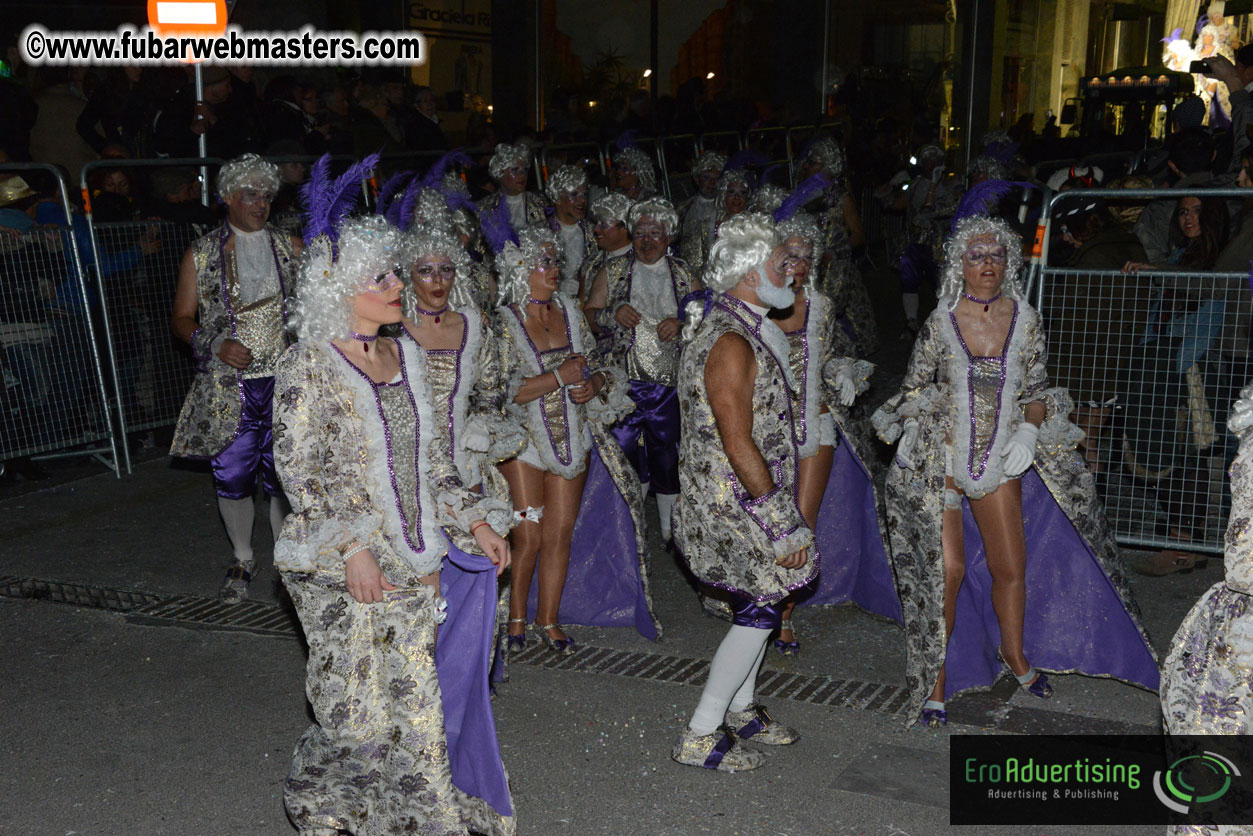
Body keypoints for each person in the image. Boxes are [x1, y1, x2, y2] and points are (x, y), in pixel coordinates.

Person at [273, 195, 515, 836]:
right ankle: (323, 803)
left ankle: (418, 818)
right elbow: (298, 471)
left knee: (413, 702)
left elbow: (432, 460)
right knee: (354, 709)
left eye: (393, 273)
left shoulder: (404, 355)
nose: (396, 285)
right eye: (379, 277)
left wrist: (476, 521)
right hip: (340, 559)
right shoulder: (308, 364)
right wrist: (352, 548)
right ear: (338, 288)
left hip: (416, 553)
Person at [872, 213, 1159, 727]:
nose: (988, 265)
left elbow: (1037, 391)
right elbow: (914, 388)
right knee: (947, 572)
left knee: (1011, 569)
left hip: (1001, 456)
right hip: (941, 458)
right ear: (960, 264)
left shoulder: (1025, 319)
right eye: (977, 256)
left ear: (1010, 262)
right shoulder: (940, 322)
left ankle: (1015, 653)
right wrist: (921, 419)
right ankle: (935, 678)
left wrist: (1028, 430)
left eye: (997, 255)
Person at [672, 213, 813, 772]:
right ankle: (701, 732)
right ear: (750, 273)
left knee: (768, 600)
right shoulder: (730, 340)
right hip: (733, 502)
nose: (795, 271)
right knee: (761, 607)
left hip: (742, 495)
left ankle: (742, 708)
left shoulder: (740, 322)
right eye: (783, 263)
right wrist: (783, 522)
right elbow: (737, 440)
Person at [495, 226, 659, 653]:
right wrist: (558, 377)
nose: (554, 269)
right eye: (544, 262)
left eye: (555, 261)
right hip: (523, 441)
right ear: (520, 269)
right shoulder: (505, 322)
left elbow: (599, 364)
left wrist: (596, 382)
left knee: (560, 534)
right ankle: (515, 617)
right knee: (528, 534)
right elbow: (501, 390)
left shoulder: (569, 309)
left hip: (572, 434)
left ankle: (547, 619)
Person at [764, 204, 901, 655]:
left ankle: (783, 614)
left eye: (805, 257)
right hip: (766, 428)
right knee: (772, 520)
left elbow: (834, 352)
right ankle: (760, 602)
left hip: (816, 424)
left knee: (803, 522)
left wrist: (843, 370)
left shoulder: (820, 305)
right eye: (789, 256)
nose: (797, 266)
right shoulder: (758, 305)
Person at [169, 154, 302, 602]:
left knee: (287, 474)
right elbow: (182, 319)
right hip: (232, 388)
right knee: (233, 475)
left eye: (266, 195)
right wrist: (214, 345)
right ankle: (243, 557)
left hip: (286, 382)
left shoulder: (291, 247)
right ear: (227, 198)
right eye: (250, 195)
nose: (260, 204)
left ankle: (287, 560)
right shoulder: (202, 252)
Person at [588, 198, 694, 545]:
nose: (647, 241)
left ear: (669, 236)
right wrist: (612, 313)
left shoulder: (682, 271)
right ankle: (631, 525)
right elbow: (588, 314)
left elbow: (705, 315)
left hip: (669, 383)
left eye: (656, 234)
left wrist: (681, 323)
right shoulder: (613, 271)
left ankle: (669, 528)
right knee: (625, 450)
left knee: (668, 449)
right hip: (623, 383)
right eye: (641, 233)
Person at [797, 137, 876, 357]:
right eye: (809, 162)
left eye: (814, 163)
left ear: (828, 166)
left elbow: (859, 236)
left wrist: (833, 252)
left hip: (835, 271)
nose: (808, 166)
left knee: (830, 316)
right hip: (807, 266)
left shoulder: (841, 199)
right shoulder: (801, 196)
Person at [477, 143, 549, 244]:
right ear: (500, 173)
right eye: (515, 170)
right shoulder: (484, 207)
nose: (522, 175)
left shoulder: (540, 203)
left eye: (525, 170)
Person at [545, 164, 596, 298]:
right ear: (557, 197)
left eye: (584, 194)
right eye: (574, 195)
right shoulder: (542, 233)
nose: (582, 201)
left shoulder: (595, 232)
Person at [578, 192, 633, 310]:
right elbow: (580, 308)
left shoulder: (641, 260)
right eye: (596, 223)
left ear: (624, 228)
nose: (596, 229)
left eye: (603, 225)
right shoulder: (590, 264)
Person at [676, 151, 725, 246]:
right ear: (697, 179)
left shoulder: (727, 207)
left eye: (717, 178)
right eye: (707, 177)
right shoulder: (684, 209)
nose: (712, 182)